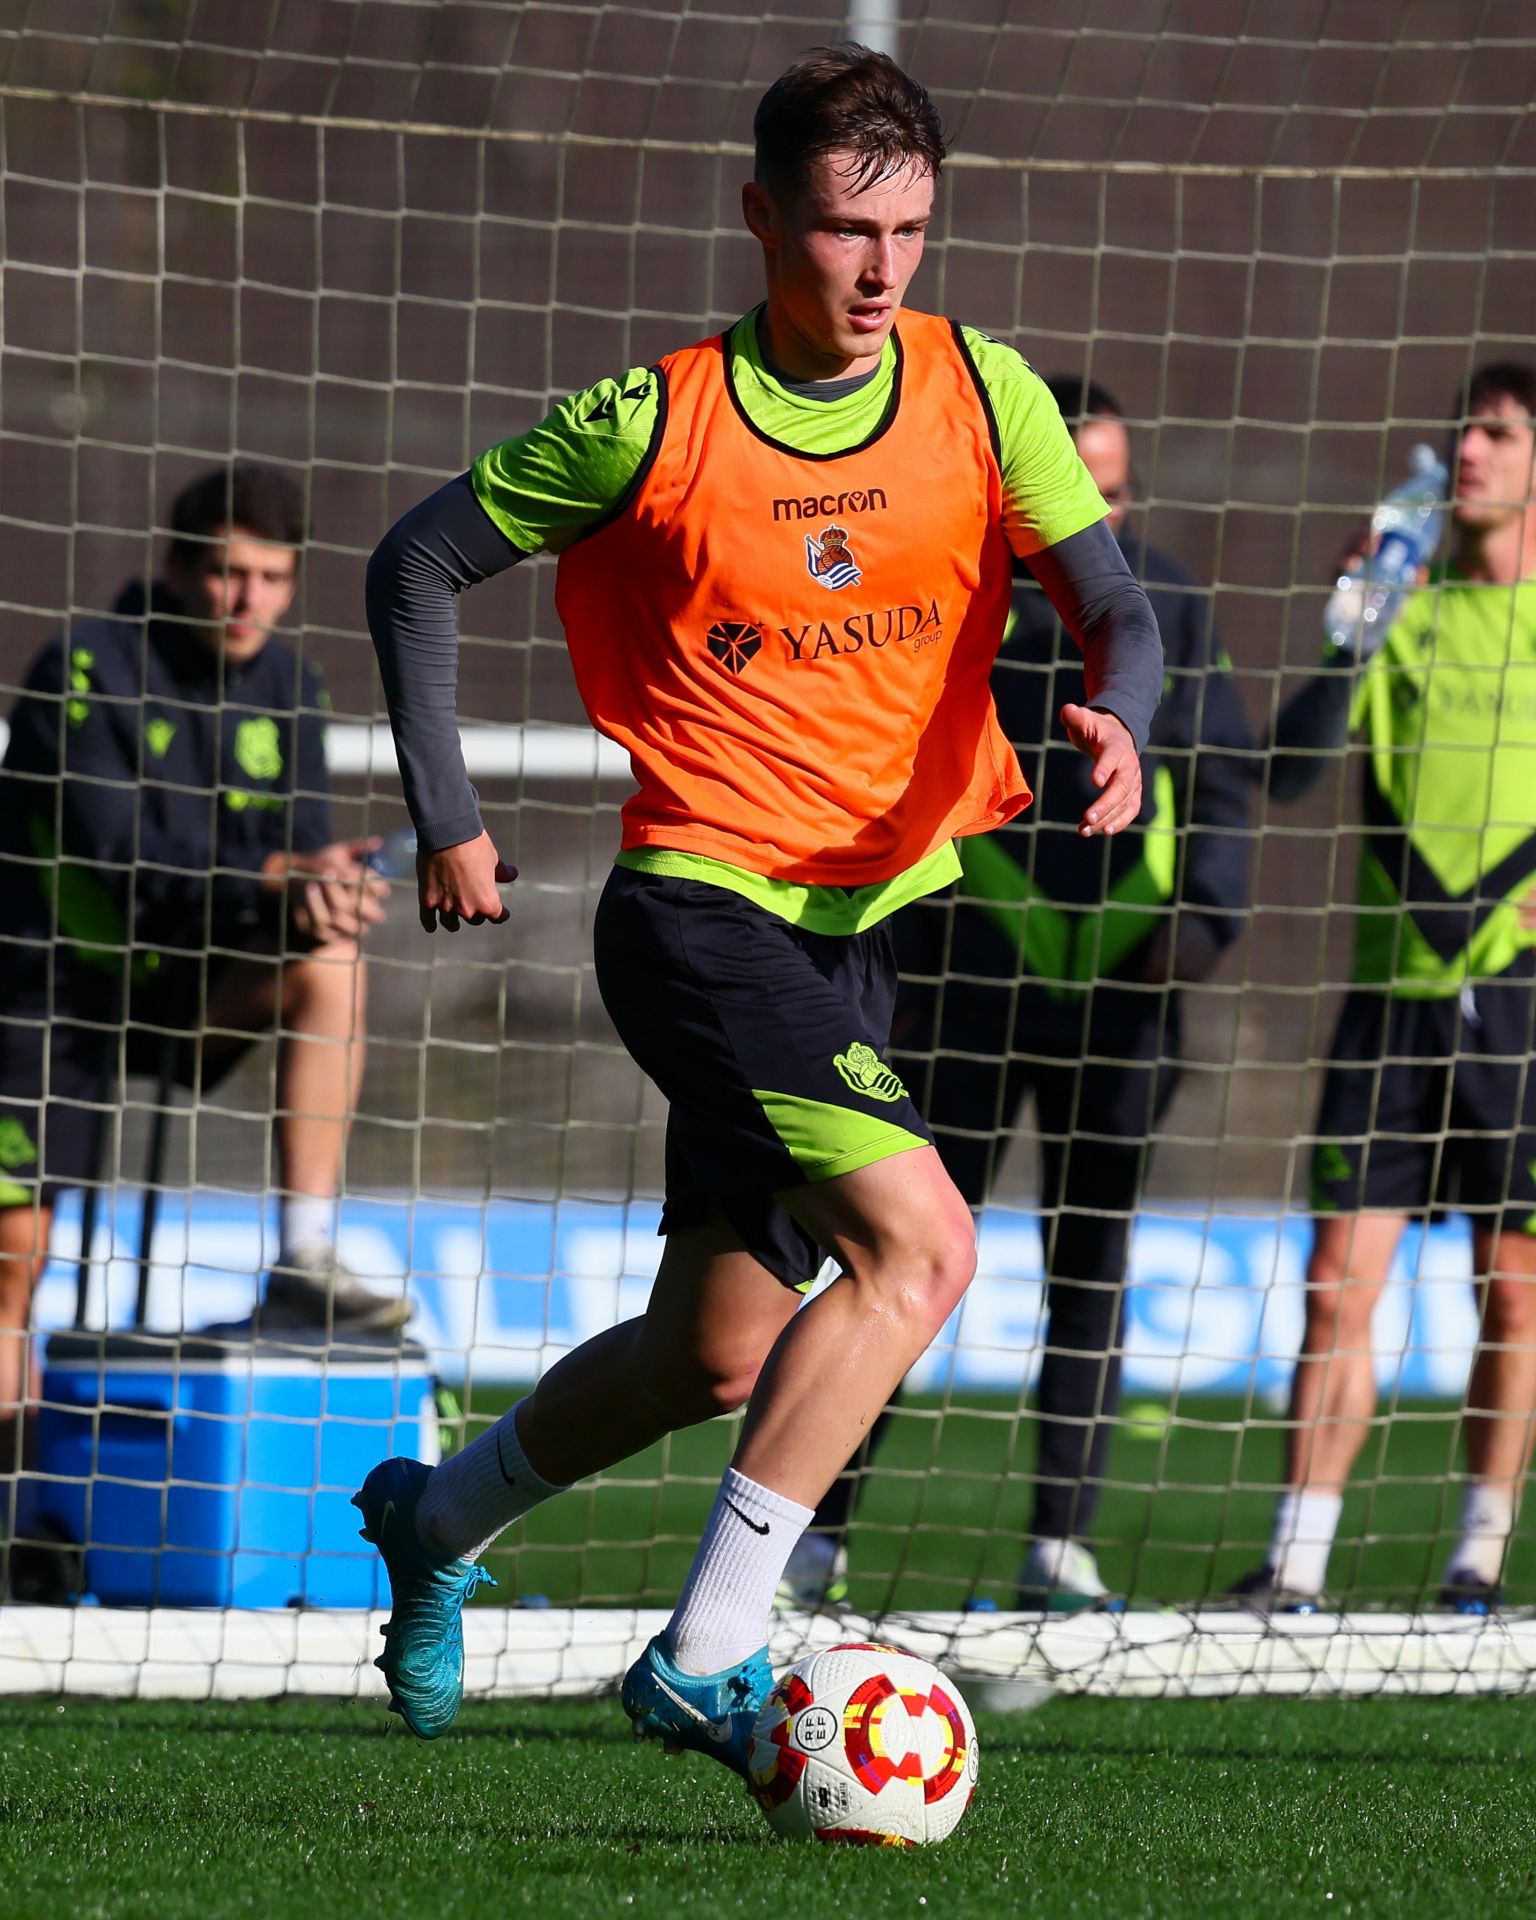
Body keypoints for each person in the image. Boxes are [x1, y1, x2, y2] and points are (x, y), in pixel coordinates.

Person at [357, 44, 1162, 1772]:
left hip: (852, 933)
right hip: (699, 910)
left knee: (714, 1353)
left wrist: (1128, 718)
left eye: (911, 231)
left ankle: (432, 1524)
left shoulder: (980, 389)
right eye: (840, 230)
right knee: (922, 1248)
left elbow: (1123, 613)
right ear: (760, 219)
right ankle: (709, 1654)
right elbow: (414, 561)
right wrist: (451, 819)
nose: (879, 271)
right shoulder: (657, 418)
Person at [777, 378, 1258, 1613]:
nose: (1087, 512)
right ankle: (813, 1535)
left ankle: (1061, 1546)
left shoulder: (1167, 611)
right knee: (893, 1259)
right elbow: (881, 769)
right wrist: (901, 959)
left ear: (1128, 496)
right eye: (1068, 488)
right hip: (964, 997)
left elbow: (1230, 775)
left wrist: (1200, 928)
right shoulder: (953, 598)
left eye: (1109, 491)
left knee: (1090, 1270)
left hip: (1126, 1000)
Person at [0, 461, 406, 1498]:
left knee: (333, 958)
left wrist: (324, 887)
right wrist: (278, 875)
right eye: (228, 574)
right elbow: (115, 853)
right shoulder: (85, 664)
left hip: (187, 997)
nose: (249, 600)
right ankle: (22, 1509)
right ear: (179, 568)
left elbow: (302, 848)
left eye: (272, 578)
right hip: (49, 995)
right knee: (12, 1263)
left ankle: (304, 1260)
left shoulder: (295, 685)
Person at [1235, 361, 1536, 1615]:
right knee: (1332, 1287)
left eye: (1500, 434)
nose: (1467, 452)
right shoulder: (1399, 600)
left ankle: (1477, 1558)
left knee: (1510, 1292)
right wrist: (1359, 615)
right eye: (1462, 430)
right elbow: (1291, 772)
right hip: (1386, 1000)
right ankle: (1294, 1565)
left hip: (1519, 1008)